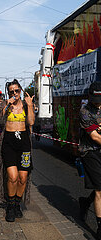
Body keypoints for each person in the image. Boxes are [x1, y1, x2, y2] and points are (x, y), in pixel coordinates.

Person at [0, 79, 35, 222]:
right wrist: (6, 106)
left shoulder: (26, 105)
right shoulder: (5, 105)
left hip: (24, 145)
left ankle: (16, 204)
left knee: (23, 178)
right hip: (9, 143)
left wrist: (30, 105)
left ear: (20, 90)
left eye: (17, 91)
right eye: (11, 92)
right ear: (8, 93)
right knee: (13, 176)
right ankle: (9, 205)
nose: (14, 94)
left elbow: (31, 122)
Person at [79, 81, 101, 240]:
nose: (97, 102)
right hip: (90, 152)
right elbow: (95, 137)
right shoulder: (85, 111)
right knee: (100, 189)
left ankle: (86, 202)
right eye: (94, 98)